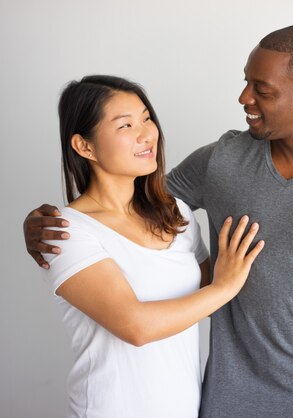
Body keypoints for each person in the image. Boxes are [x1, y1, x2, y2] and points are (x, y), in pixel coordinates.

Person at [25, 25, 293, 418]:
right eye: (246, 81)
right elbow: (133, 202)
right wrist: (42, 224)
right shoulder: (220, 162)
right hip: (222, 401)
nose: (244, 98)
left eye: (263, 89)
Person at [37, 75, 264, 418]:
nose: (147, 133)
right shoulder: (67, 232)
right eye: (125, 125)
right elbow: (136, 327)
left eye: (146, 118)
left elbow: (198, 294)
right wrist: (226, 286)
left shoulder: (176, 212)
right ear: (85, 147)